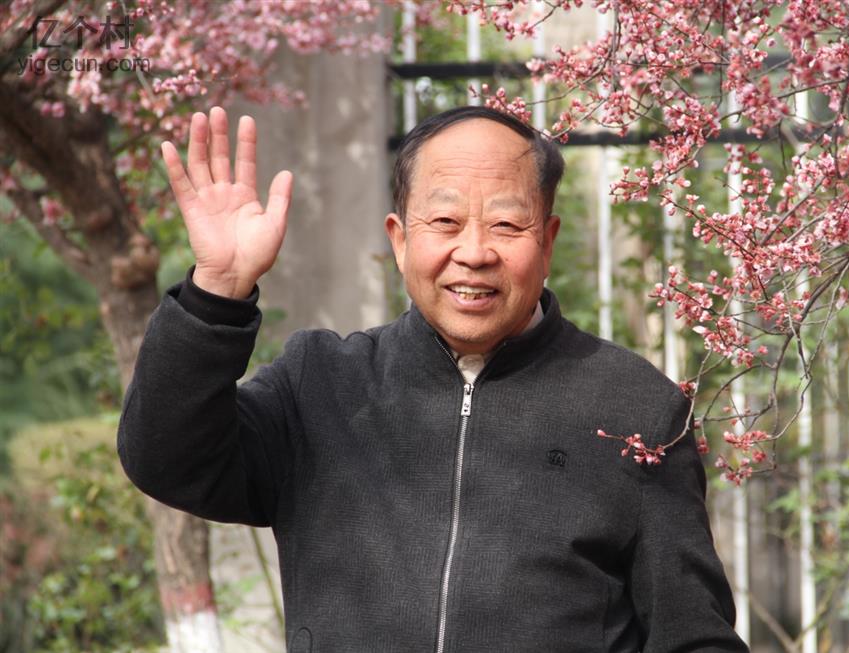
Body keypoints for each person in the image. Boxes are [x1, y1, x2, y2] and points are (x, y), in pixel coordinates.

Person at [118, 105, 748, 653]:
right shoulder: (322, 385)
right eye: (445, 223)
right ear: (399, 240)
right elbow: (169, 461)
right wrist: (218, 292)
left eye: (506, 225)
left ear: (547, 241)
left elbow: (692, 634)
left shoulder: (634, 408)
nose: (473, 252)